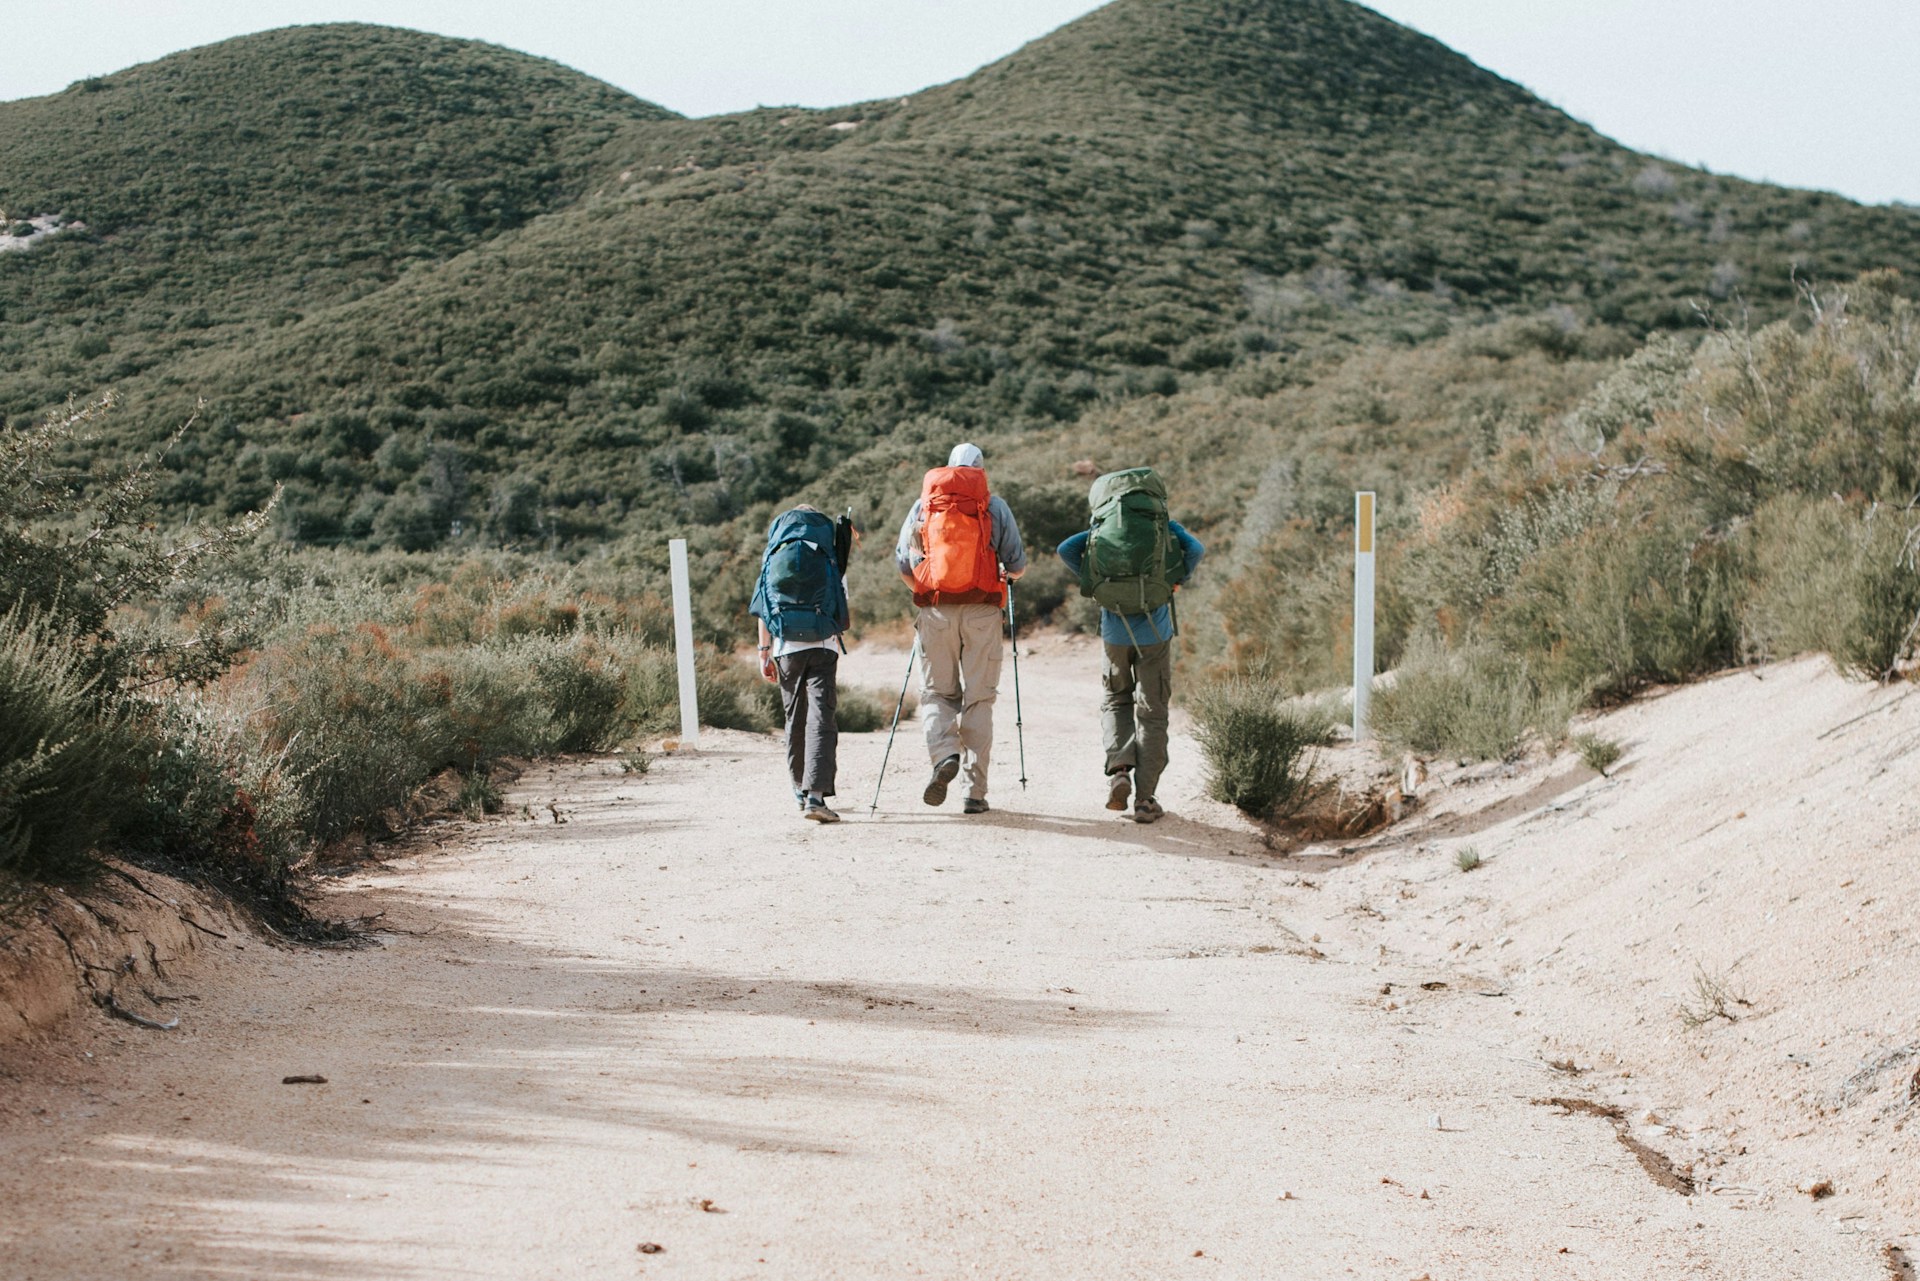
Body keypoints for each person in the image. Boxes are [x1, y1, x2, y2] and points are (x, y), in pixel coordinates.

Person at [1056, 470, 1204, 824]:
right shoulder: (1164, 525)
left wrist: (1093, 581)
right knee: (1152, 712)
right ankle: (1145, 798)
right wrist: (1176, 578)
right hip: (1156, 632)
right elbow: (1196, 550)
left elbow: (1066, 550)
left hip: (1114, 631)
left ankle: (1120, 768)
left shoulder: (1100, 526)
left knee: (1115, 699)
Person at [894, 442, 1028, 815]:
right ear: (981, 470)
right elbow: (1017, 565)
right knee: (979, 698)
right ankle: (975, 793)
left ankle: (944, 755)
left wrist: (927, 592)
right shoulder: (994, 507)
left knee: (937, 694)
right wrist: (1000, 574)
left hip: (936, 611)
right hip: (983, 611)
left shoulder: (925, 506)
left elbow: (904, 565)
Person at [750, 505, 853, 824]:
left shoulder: (775, 551)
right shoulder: (828, 554)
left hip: (784, 649)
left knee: (795, 717)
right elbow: (843, 605)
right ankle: (815, 796)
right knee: (821, 717)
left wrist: (764, 651)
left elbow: (763, 606)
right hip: (823, 646)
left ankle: (799, 789)